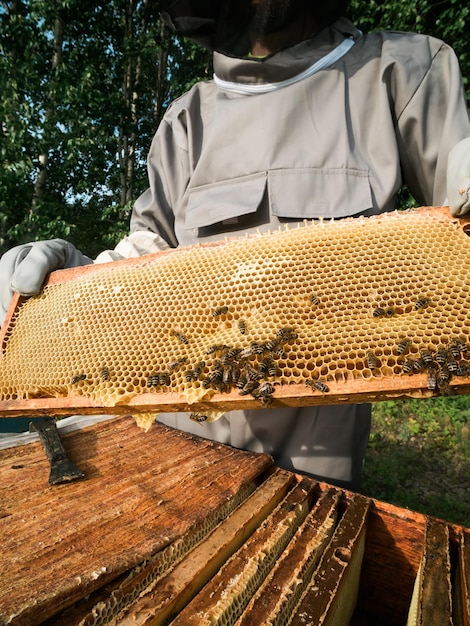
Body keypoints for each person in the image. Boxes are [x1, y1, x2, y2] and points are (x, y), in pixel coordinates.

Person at [1, 0, 469, 488]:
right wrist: (68, 292)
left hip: (313, 456)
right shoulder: (185, 120)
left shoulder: (401, 69)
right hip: (174, 436)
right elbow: (145, 255)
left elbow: (453, 221)